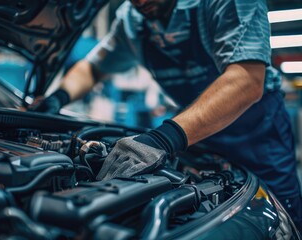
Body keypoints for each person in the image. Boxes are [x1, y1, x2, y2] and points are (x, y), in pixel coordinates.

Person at [31, 0, 302, 230]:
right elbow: (92, 68)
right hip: (198, 136)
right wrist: (58, 98)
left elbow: (246, 80)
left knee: (277, 220)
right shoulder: (132, 19)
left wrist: (164, 139)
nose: (138, 2)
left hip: (259, 140)